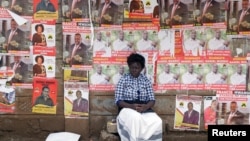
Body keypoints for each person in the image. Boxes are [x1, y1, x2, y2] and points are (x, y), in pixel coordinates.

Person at [115, 53, 162, 141]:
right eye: (132, 67)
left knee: (157, 121)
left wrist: (146, 106)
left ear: (141, 68)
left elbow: (152, 99)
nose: (134, 70)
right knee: (135, 118)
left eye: (137, 68)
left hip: (144, 108)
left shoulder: (146, 80)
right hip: (127, 108)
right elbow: (118, 101)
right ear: (129, 67)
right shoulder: (123, 79)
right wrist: (131, 106)